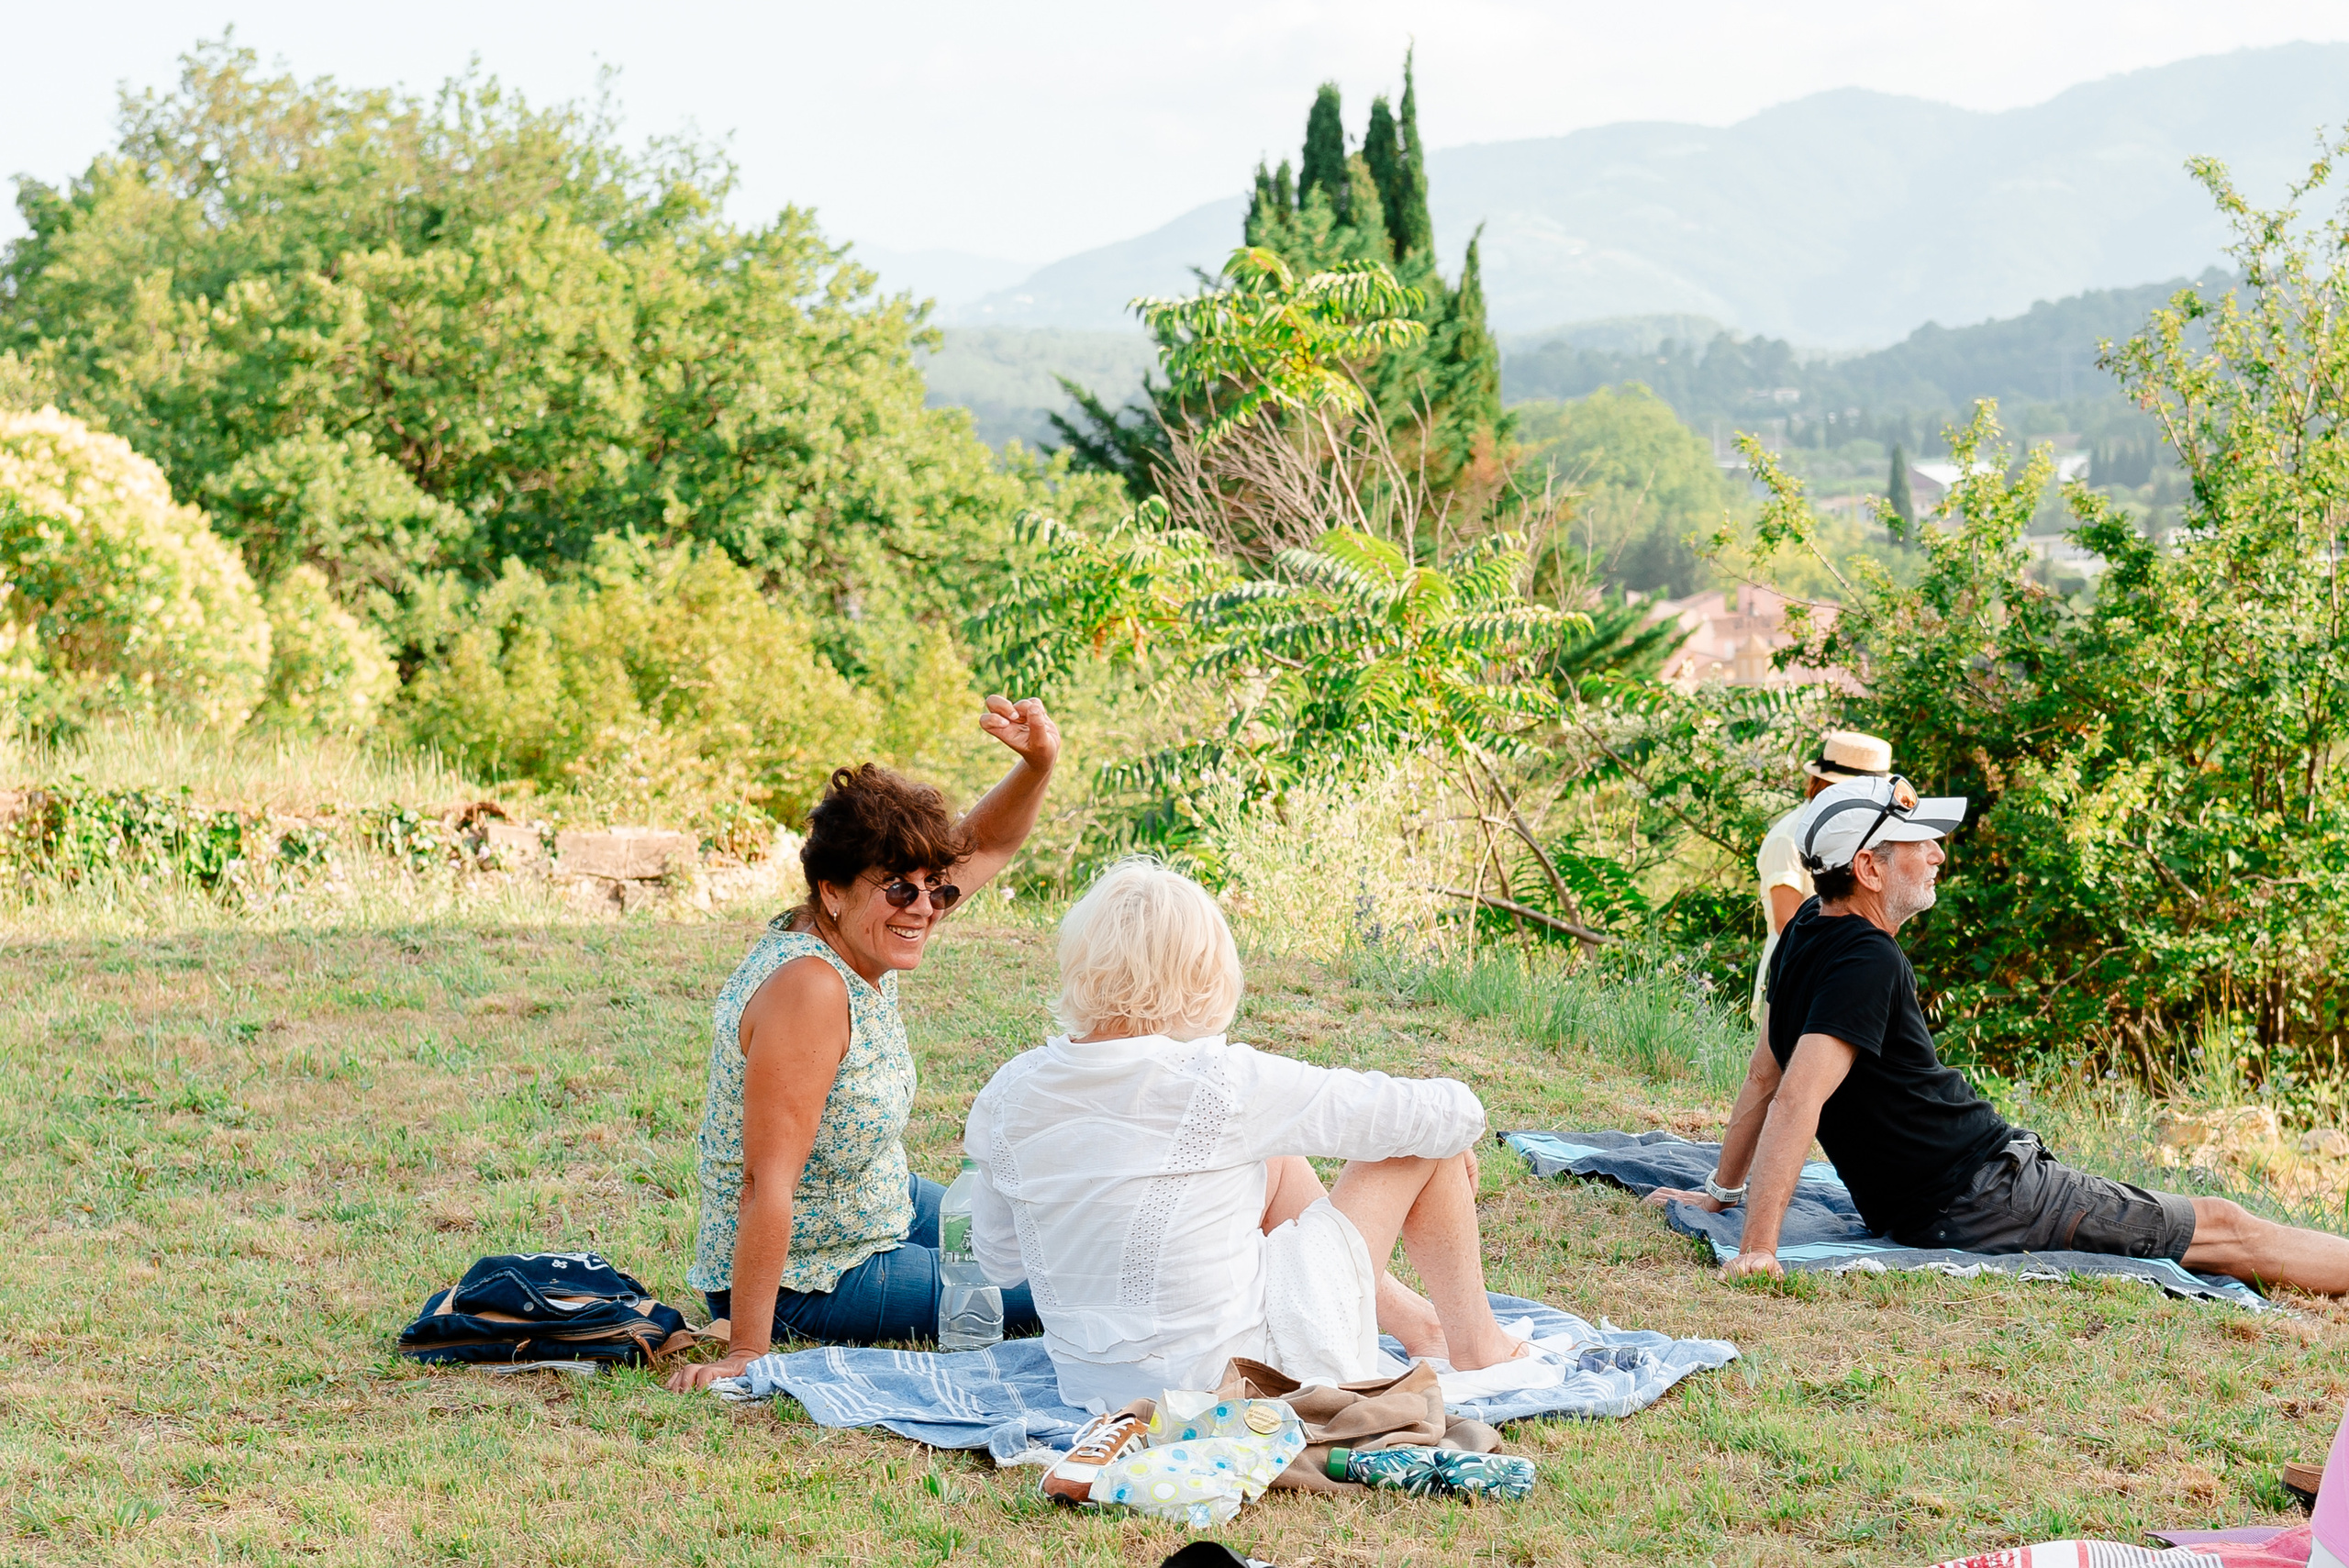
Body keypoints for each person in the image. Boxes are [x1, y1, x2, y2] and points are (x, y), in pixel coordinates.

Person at [1654, 773, 2349, 1296]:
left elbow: (1763, 1076)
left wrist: (1721, 1191)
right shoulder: (1870, 959)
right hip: (1983, 1194)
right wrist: (1757, 1247)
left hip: (1951, 1191)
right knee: (2224, 1227)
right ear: (1868, 869)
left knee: (2209, 1220)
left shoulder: (1807, 926)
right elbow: (1794, 1098)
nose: (1936, 855)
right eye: (1915, 844)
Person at [961, 858, 1531, 1412]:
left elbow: (1000, 1264)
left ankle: (1420, 1326)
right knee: (1417, 1142)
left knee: (1276, 1152)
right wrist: (1453, 1139)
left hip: (1094, 1389)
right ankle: (1481, 1349)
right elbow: (1445, 1111)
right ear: (1203, 972)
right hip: (1248, 1381)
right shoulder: (1221, 1084)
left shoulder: (1008, 1093)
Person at [665, 696, 1058, 1393]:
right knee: (1063, 1281)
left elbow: (988, 844)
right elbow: (765, 1182)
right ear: (833, 890)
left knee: (1057, 1232)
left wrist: (1038, 762)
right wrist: (748, 1347)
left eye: (934, 889)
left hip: (883, 1204)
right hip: (816, 1274)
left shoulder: (867, 934)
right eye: (901, 888)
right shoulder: (810, 989)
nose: (924, 908)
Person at [1749, 730, 1893, 1026]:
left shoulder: (1856, 838)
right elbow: (1787, 923)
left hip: (1842, 973)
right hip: (1796, 976)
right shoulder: (1788, 837)